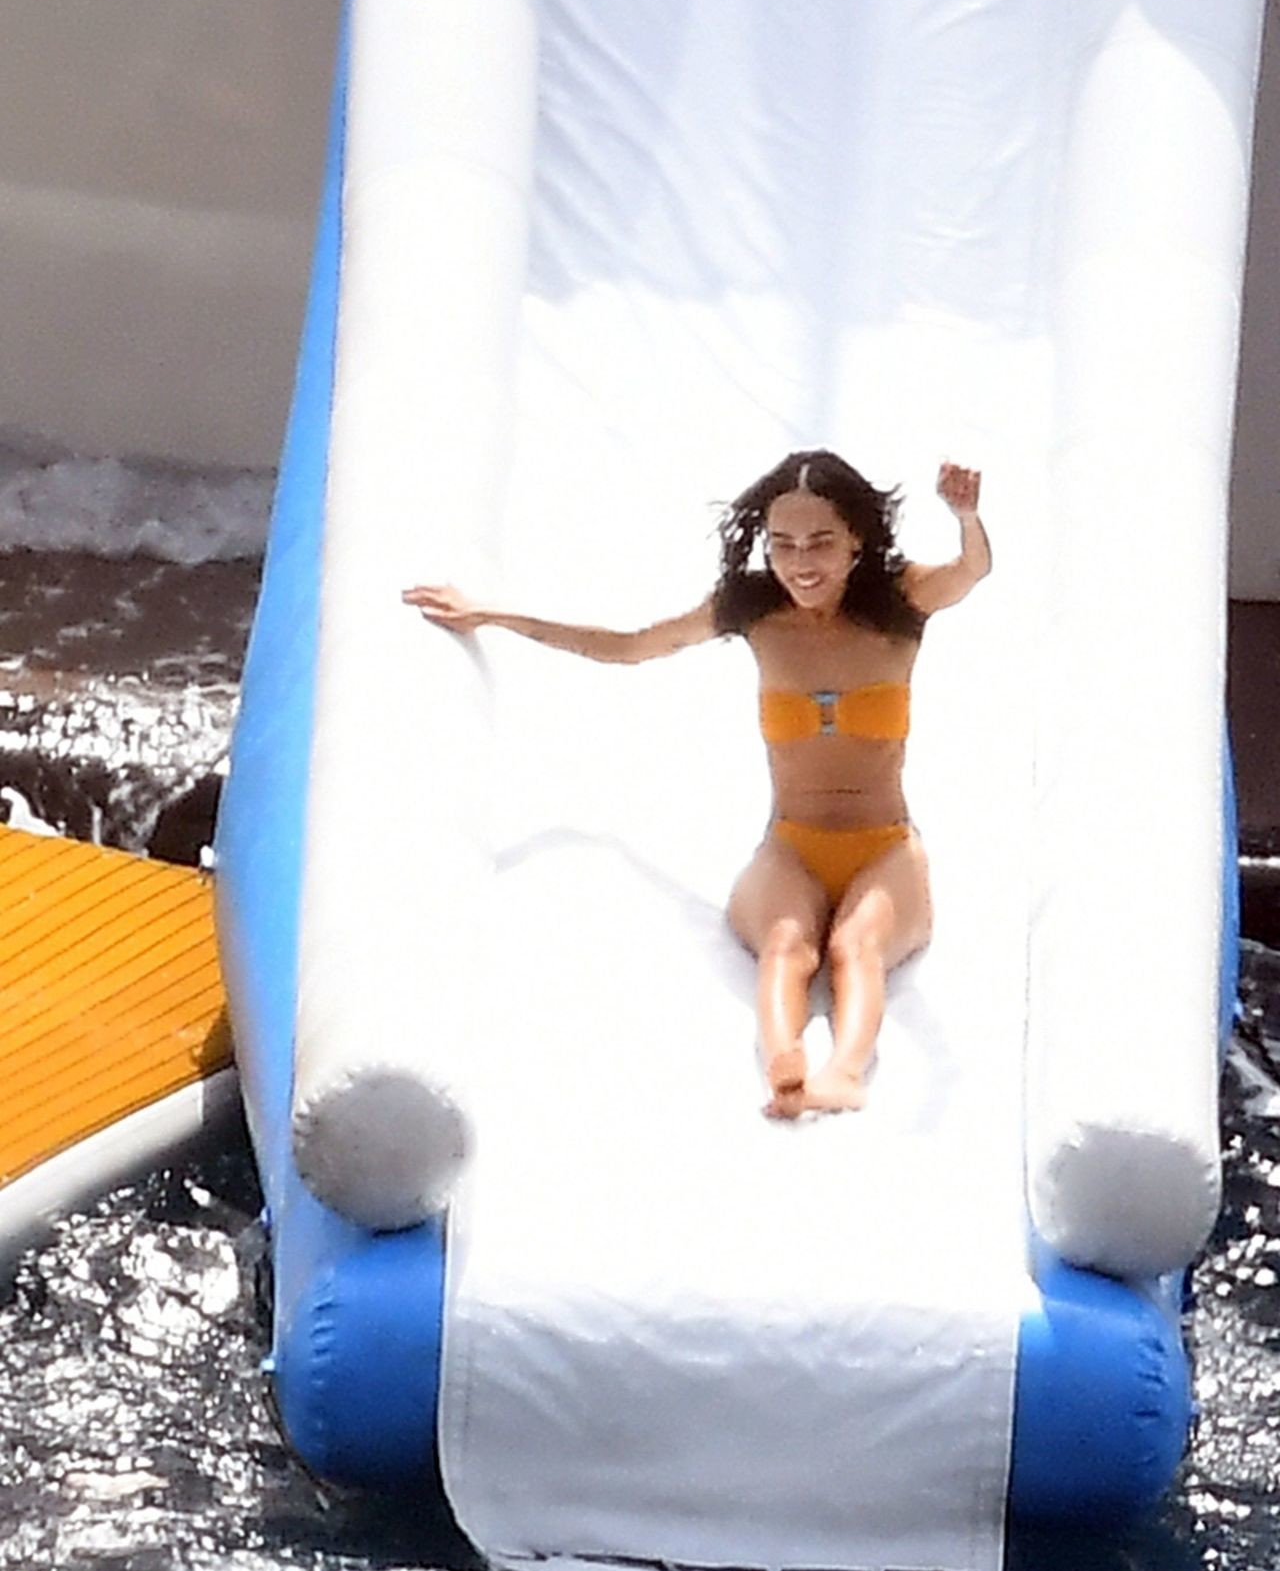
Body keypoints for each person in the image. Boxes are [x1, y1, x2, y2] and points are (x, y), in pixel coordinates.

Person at [401, 449, 991, 1120]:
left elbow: (971, 571)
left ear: (856, 538)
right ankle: (784, 1067)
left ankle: (845, 1072)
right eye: (783, 544)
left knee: (855, 948)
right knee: (785, 946)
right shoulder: (755, 611)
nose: (801, 563)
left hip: (884, 847)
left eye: (821, 543)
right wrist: (492, 614)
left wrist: (966, 518)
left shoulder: (899, 602)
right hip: (792, 845)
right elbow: (630, 644)